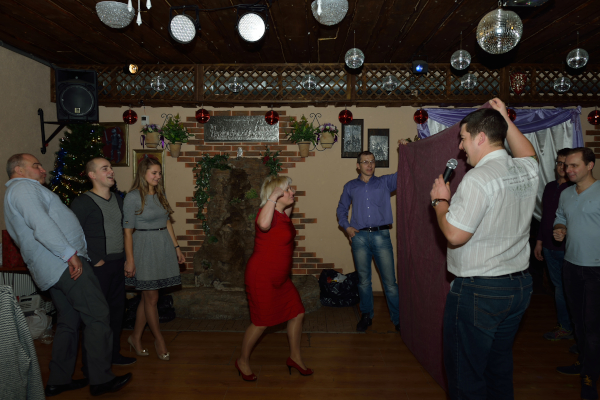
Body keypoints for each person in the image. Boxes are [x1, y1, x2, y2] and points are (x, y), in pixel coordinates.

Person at [429, 98, 539, 400]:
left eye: (463, 138)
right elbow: (529, 152)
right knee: (498, 368)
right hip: (518, 288)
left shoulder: (478, 178)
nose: (460, 146)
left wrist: (440, 201)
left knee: (466, 375)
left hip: (481, 291)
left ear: (480, 138)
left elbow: (454, 235)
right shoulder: (525, 169)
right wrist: (504, 117)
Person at [4, 153, 132, 397]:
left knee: (69, 321)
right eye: (36, 165)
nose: (43, 169)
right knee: (98, 313)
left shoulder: (22, 191)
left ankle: (59, 380)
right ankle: (101, 379)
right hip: (63, 264)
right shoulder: (23, 188)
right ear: (18, 170)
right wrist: (70, 255)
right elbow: (41, 224)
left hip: (53, 267)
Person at [235, 175, 312, 381]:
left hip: (281, 279)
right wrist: (274, 195)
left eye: (291, 189)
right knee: (261, 322)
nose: (292, 192)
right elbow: (263, 225)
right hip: (262, 277)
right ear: (275, 194)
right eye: (287, 189)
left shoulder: (283, 213)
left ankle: (295, 357)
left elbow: (285, 208)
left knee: (297, 312)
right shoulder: (266, 213)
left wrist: (284, 195)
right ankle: (242, 360)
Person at [70, 157, 136, 366]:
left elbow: (125, 231)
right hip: (96, 268)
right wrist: (95, 258)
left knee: (117, 313)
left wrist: (128, 259)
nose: (111, 171)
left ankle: (113, 355)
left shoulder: (117, 199)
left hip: (118, 264)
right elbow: (73, 234)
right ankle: (93, 365)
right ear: (92, 175)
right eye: (105, 168)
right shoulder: (82, 202)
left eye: (111, 168)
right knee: (96, 317)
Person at [123, 155, 184, 361]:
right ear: (143, 174)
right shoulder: (132, 197)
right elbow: (127, 232)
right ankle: (159, 339)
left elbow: (167, 222)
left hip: (162, 246)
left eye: (159, 173)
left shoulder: (160, 193)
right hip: (143, 248)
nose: (158, 176)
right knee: (152, 297)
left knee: (147, 297)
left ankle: (135, 337)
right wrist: (130, 260)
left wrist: (176, 247)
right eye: (154, 173)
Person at [553, 147, 600, 400]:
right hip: (571, 266)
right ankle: (584, 363)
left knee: (592, 326)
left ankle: (590, 379)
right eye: (566, 165)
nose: (568, 169)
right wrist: (560, 227)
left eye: (574, 165)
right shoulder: (566, 193)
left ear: (590, 165)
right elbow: (561, 216)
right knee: (578, 321)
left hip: (596, 270)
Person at [336, 150, 400, 332]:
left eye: (372, 161)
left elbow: (404, 173)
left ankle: (398, 319)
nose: (369, 165)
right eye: (365, 162)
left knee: (390, 282)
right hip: (359, 238)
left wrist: (404, 150)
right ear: (358, 166)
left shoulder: (385, 182)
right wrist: (347, 227)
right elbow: (341, 209)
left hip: (381, 237)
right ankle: (366, 316)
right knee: (364, 281)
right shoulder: (350, 186)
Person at [533, 148, 574, 341]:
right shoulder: (550, 187)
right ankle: (566, 326)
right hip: (549, 247)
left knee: (568, 289)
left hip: (567, 248)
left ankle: (571, 327)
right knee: (558, 287)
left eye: (565, 163)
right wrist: (539, 242)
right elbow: (545, 217)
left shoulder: (574, 188)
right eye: (559, 163)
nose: (561, 167)